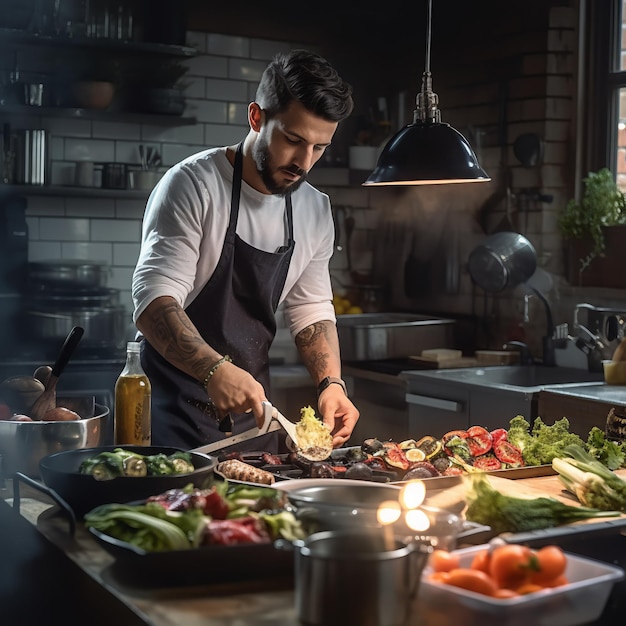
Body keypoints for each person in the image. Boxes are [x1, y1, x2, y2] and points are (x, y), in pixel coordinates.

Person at [131, 49, 360, 453]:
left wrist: (331, 385)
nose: (304, 162)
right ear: (256, 117)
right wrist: (214, 369)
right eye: (293, 140)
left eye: (319, 148)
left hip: (254, 420)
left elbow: (311, 310)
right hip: (169, 418)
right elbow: (154, 302)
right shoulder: (192, 185)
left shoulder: (314, 208)